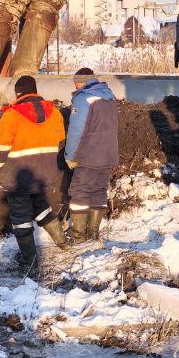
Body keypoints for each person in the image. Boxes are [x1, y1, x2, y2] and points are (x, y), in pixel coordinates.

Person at [0, 75, 68, 271]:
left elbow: (0, 146)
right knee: (40, 206)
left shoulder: (12, 115)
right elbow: (61, 142)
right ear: (34, 90)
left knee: (20, 217)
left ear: (18, 93)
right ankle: (62, 241)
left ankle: (30, 260)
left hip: (20, 175)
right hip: (46, 174)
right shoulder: (54, 112)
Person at [64, 67, 119, 242]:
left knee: (79, 191)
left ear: (81, 81)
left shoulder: (82, 98)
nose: (75, 85)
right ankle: (93, 233)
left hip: (89, 154)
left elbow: (75, 131)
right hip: (109, 153)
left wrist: (70, 155)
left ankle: (78, 235)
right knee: (99, 191)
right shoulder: (110, 95)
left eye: (75, 82)